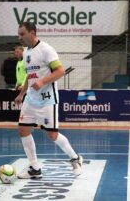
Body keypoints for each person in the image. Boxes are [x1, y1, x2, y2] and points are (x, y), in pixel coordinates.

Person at [14, 22, 83, 179]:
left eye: (22, 34)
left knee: (52, 135)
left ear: (32, 33)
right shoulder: (25, 52)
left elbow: (60, 71)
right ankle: (34, 168)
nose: (19, 37)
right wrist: (21, 94)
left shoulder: (46, 49)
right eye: (18, 34)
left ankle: (75, 158)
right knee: (23, 130)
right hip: (30, 99)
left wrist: (43, 82)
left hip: (47, 100)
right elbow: (29, 78)